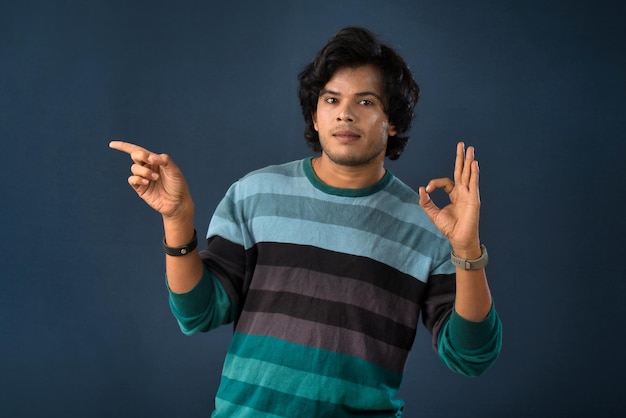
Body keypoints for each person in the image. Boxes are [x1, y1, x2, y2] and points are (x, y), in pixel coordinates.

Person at [110, 26, 501, 417]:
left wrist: (467, 249)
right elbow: (198, 313)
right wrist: (178, 219)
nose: (345, 113)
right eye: (331, 99)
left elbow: (471, 355)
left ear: (392, 121)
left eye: (365, 102)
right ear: (315, 115)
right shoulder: (254, 194)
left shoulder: (428, 223)